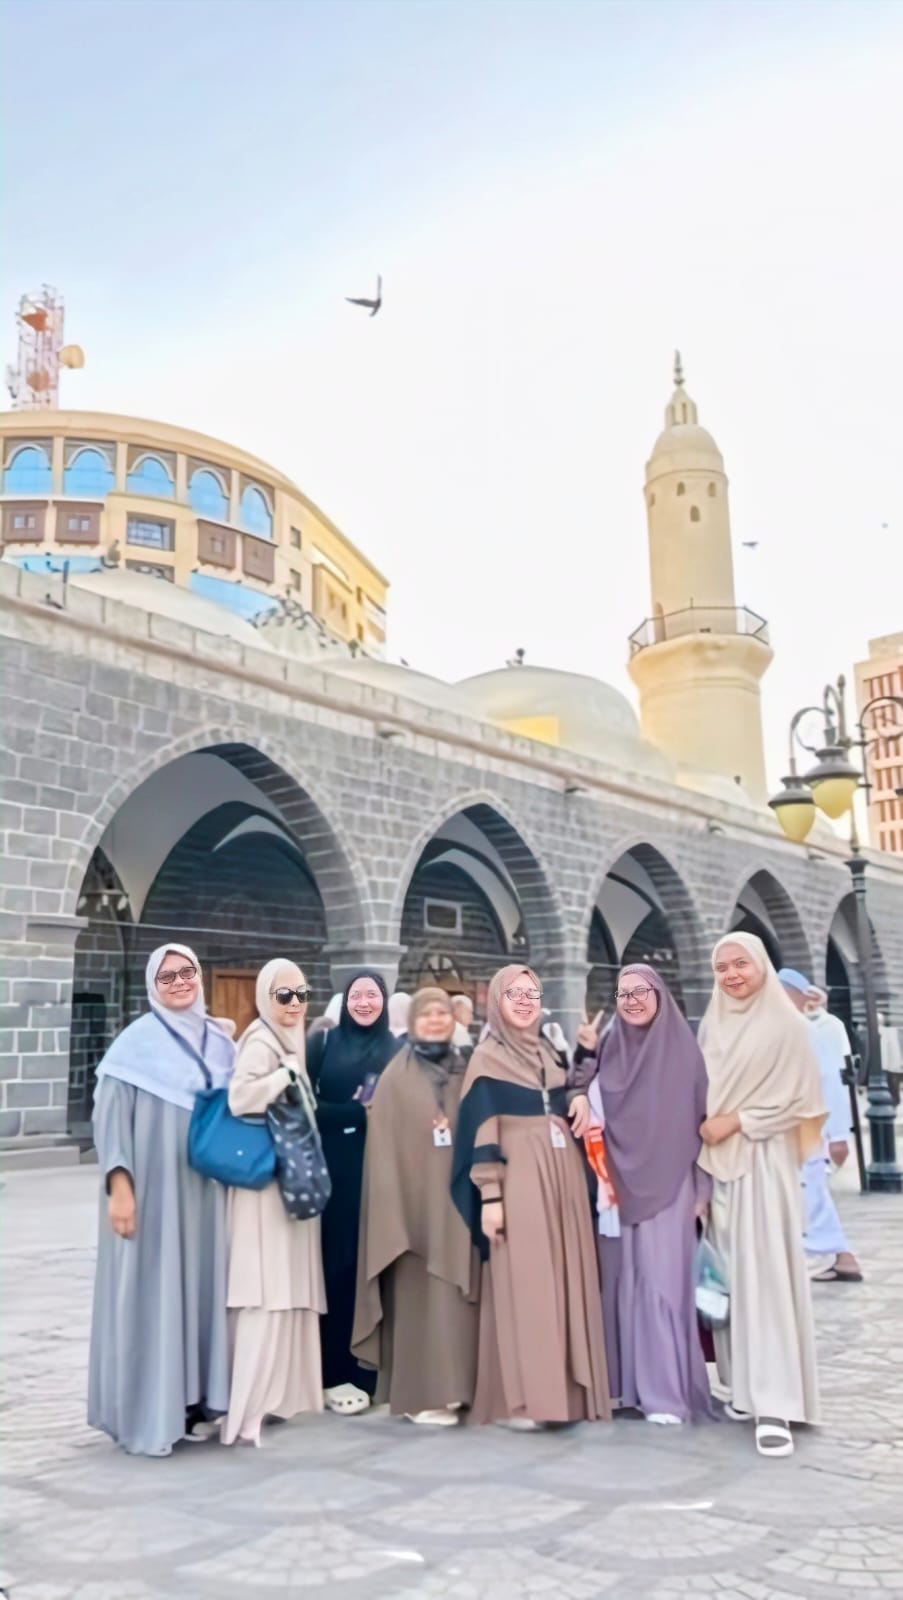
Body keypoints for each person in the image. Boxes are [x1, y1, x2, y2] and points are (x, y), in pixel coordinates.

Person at [88, 943, 233, 1457]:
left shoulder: (220, 1043)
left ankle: (194, 1402)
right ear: (153, 985)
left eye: (186, 972)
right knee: (152, 1292)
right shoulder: (135, 1045)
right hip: (152, 1192)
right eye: (167, 977)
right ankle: (147, 1413)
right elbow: (109, 1118)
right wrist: (120, 1187)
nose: (179, 983)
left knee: (198, 1288)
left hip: (205, 1193)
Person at [451, 964, 611, 1428]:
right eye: (514, 994)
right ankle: (526, 1400)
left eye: (532, 994)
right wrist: (491, 1196)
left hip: (563, 1178)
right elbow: (482, 1129)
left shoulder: (547, 1050)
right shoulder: (487, 1059)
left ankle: (566, 1398)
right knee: (528, 1283)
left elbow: (562, 1095)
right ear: (496, 1003)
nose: (524, 1002)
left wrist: (581, 1072)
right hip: (519, 1176)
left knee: (564, 1280)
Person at [698, 933, 825, 1458]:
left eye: (741, 964)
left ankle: (777, 1403)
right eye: (722, 967)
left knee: (767, 1278)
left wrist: (738, 1121)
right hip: (718, 1168)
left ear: (762, 967)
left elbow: (803, 1100)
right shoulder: (712, 1024)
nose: (731, 975)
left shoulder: (786, 1024)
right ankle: (744, 1389)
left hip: (764, 1163)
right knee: (731, 1279)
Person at [571, 965, 713, 1425]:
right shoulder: (608, 1047)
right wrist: (584, 1053)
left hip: (670, 1185)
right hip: (615, 1187)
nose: (631, 1001)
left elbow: (704, 1122)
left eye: (641, 992)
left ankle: (665, 1393)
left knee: (660, 1284)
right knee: (620, 1283)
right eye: (623, 993)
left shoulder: (684, 1053)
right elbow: (582, 1097)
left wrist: (703, 1189)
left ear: (660, 996)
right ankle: (623, 1388)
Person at [352, 988, 479, 1423]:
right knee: (420, 1299)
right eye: (427, 1014)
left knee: (457, 1300)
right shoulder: (397, 1077)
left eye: (443, 1012)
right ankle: (422, 1396)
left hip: (459, 1205)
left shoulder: (465, 1069)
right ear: (412, 1022)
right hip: (412, 1212)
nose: (436, 1020)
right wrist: (396, 1213)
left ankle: (457, 1389)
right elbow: (383, 1150)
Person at [222, 959, 326, 1446]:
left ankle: (276, 1398)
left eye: (301, 994)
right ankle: (247, 1410)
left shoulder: (290, 1042)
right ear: (266, 997)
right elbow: (240, 1098)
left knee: (286, 1290)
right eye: (284, 995)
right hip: (265, 1187)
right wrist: (283, 1077)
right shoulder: (262, 1042)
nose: (294, 1004)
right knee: (266, 1292)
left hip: (290, 1185)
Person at [307, 970, 398, 1415]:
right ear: (344, 1001)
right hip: (335, 1170)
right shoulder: (323, 1044)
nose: (364, 1002)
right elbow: (302, 1104)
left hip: (383, 1171)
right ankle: (334, 1371)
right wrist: (355, 1113)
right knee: (338, 1266)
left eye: (373, 994)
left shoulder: (398, 1049)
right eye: (356, 994)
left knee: (377, 1266)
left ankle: (373, 1371)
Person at [777, 970, 863, 1284]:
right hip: (793, 1123)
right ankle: (838, 1257)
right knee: (806, 1193)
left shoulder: (818, 1029)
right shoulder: (790, 1027)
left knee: (810, 1193)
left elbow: (831, 1083)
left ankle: (838, 1255)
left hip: (810, 1124)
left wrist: (838, 1135)